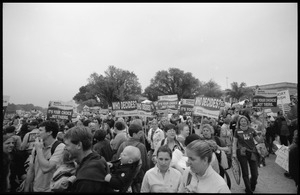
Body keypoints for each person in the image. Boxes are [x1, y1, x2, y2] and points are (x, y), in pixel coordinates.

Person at [63, 125, 111, 192]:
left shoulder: (86, 178)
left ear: (79, 145)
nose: (65, 148)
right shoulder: (97, 159)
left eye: (67, 145)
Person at [24, 120, 65, 192]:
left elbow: (46, 168)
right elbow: (31, 170)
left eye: (40, 130)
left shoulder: (60, 147)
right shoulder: (38, 147)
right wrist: (26, 188)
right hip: (36, 188)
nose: (37, 133)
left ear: (49, 132)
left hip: (51, 189)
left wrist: (39, 150)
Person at [232, 115, 264, 194]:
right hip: (242, 153)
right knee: (245, 172)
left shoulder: (252, 130)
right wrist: (234, 153)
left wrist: (263, 135)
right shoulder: (237, 131)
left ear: (247, 122)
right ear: (239, 122)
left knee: (255, 174)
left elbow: (259, 140)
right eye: (241, 121)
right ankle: (248, 189)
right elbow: (234, 143)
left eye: (244, 121)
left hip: (252, 153)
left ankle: (252, 184)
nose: (243, 122)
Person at [116, 123, 149, 193]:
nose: (142, 135)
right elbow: (145, 165)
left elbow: (117, 160)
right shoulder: (141, 146)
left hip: (123, 178)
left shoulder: (123, 144)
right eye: (140, 133)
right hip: (137, 180)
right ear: (134, 134)